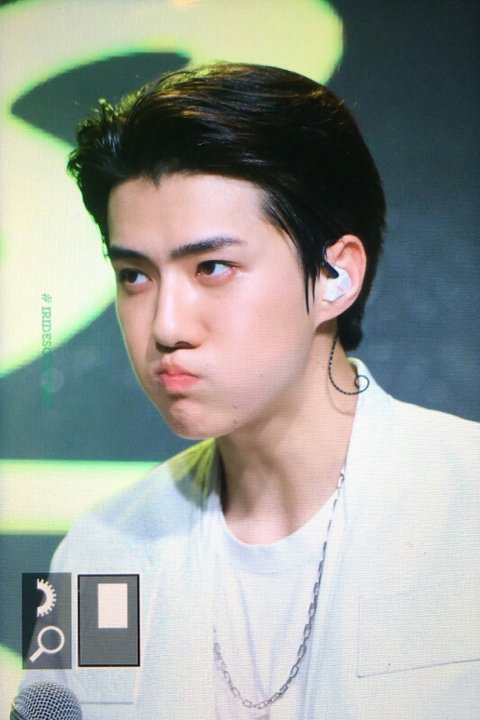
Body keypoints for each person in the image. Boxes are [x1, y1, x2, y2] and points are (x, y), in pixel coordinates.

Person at [22, 63, 478, 719]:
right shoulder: (101, 553)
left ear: (334, 276)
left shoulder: (466, 509)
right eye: (134, 276)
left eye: (212, 267)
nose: (166, 326)